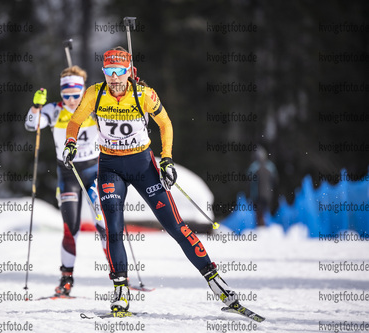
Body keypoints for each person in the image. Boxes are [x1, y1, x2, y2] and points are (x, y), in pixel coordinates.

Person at [62, 47, 240, 312]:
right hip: (110, 167)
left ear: (128, 72)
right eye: (109, 71)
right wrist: (71, 142)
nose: (114, 77)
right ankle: (121, 290)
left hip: (143, 166)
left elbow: (165, 123)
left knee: (176, 226)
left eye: (119, 71)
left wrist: (166, 158)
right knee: (114, 229)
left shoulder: (143, 94)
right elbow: (75, 121)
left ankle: (216, 281)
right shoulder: (94, 94)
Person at [25, 66, 107, 296]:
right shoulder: (54, 110)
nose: (71, 100)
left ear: (83, 92)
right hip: (68, 175)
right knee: (70, 228)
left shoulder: (92, 108)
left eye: (75, 95)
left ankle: (118, 276)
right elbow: (31, 124)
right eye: (66, 95)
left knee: (103, 224)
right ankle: (66, 280)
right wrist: (36, 107)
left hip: (93, 173)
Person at [248, 145, 278, 226]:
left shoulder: (254, 166)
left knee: (259, 213)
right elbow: (275, 179)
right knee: (264, 212)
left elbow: (248, 178)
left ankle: (261, 227)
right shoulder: (270, 166)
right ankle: (263, 227)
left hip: (257, 195)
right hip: (268, 194)